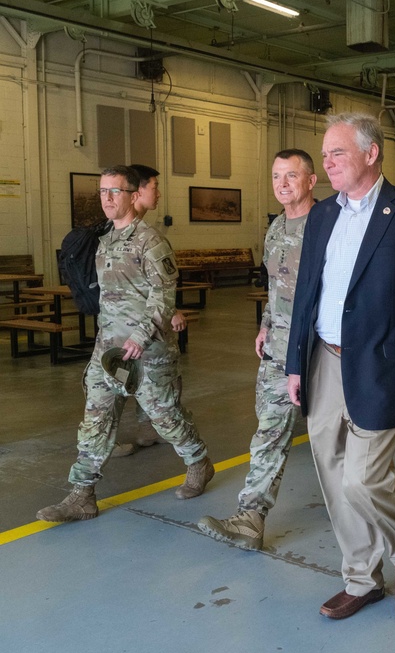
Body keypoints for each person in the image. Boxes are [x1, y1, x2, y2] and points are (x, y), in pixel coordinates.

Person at [285, 113, 395, 620]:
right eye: (325, 154)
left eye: (337, 153)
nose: (327, 162)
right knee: (333, 478)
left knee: (362, 479)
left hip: (383, 364)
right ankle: (361, 579)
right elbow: (306, 296)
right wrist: (296, 363)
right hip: (323, 361)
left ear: (371, 153)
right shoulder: (321, 217)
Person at [37, 165, 214, 523]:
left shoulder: (151, 241)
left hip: (147, 351)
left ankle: (198, 462)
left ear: (133, 197)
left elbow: (163, 297)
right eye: (102, 191)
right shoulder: (104, 242)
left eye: (114, 191)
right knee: (95, 421)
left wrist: (140, 335)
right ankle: (82, 495)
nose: (106, 198)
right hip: (108, 351)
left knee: (165, 417)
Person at [197, 149, 317, 550]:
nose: (282, 184)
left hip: (322, 349)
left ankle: (365, 519)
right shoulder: (277, 228)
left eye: (292, 176)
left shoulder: (327, 226)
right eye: (276, 176)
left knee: (342, 439)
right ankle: (251, 517)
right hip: (279, 347)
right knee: (269, 429)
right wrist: (266, 324)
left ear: (312, 181)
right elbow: (275, 286)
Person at [111, 164, 187, 457]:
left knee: (150, 375)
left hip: (143, 319)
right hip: (125, 324)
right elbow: (124, 285)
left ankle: (149, 429)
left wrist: (171, 308)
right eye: (155, 186)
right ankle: (109, 442)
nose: (158, 193)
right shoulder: (120, 228)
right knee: (118, 381)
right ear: (138, 191)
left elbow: (146, 281)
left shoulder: (142, 231)